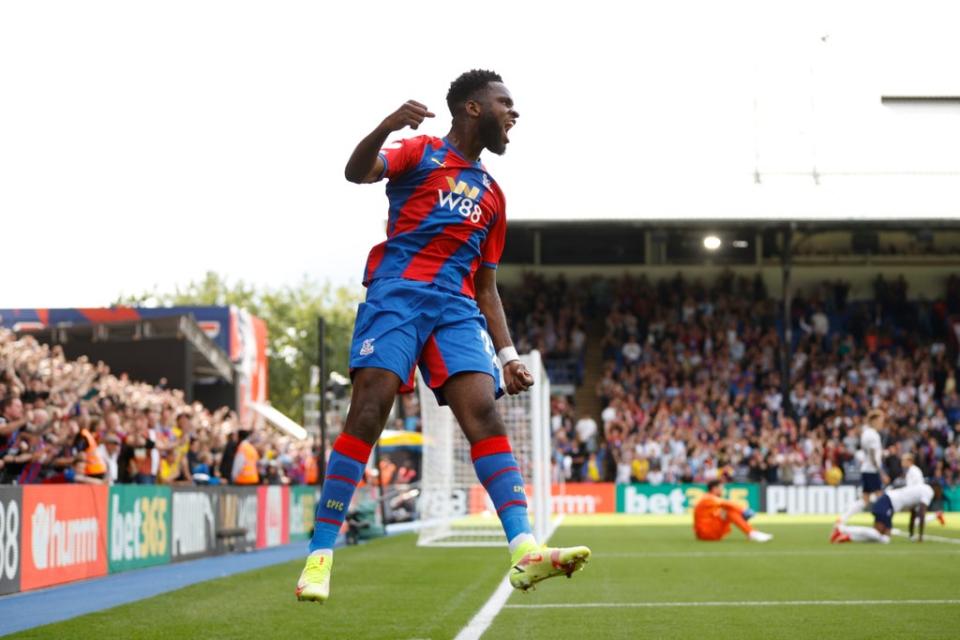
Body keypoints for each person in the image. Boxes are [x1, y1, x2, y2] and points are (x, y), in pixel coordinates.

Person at [296, 69, 590, 603]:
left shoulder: (493, 195)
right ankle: (319, 556)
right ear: (472, 108)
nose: (513, 113)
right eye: (505, 102)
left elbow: (486, 284)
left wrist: (507, 354)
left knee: (484, 411)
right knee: (370, 407)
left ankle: (524, 551)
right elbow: (356, 172)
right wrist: (386, 126)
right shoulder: (421, 151)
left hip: (456, 310)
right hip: (398, 294)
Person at [831, 481, 935, 543]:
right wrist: (920, 536)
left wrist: (911, 535)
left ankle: (847, 536)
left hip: (887, 502)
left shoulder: (919, 490)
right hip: (887, 503)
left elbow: (913, 513)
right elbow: (921, 514)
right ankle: (842, 529)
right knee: (884, 538)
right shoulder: (928, 491)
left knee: (879, 535)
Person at [837, 409, 887, 525]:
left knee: (865, 500)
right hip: (872, 470)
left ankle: (843, 518)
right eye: (880, 421)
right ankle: (883, 522)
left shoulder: (866, 433)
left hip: (866, 469)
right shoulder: (873, 435)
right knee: (881, 498)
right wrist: (882, 472)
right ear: (874, 420)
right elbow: (873, 455)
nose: (882, 424)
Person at [693, 480, 773, 542]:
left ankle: (751, 532)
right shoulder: (708, 498)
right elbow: (727, 503)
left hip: (705, 532)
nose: (722, 490)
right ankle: (752, 533)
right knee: (728, 511)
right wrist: (743, 510)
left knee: (727, 511)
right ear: (714, 488)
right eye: (721, 488)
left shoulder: (707, 498)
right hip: (706, 533)